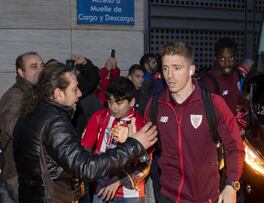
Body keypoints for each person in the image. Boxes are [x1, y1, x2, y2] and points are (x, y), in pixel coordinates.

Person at [13, 62, 158, 203]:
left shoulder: (31, 114)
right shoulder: (55, 123)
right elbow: (86, 167)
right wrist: (132, 145)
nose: (80, 93)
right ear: (58, 94)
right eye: (75, 89)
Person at [144, 41, 245, 202]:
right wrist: (132, 144)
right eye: (165, 68)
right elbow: (147, 149)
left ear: (191, 70)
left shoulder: (213, 104)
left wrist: (232, 185)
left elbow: (235, 147)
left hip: (204, 197)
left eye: (177, 68)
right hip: (167, 196)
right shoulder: (156, 105)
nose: (170, 75)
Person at [81, 77, 151, 203]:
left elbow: (146, 164)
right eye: (109, 101)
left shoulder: (141, 124)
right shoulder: (99, 117)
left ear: (132, 102)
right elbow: (84, 152)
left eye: (118, 103)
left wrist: (117, 181)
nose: (112, 107)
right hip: (101, 189)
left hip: (131, 192)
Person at [0, 51, 44, 202]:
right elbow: (21, 134)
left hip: (28, 176)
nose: (40, 70)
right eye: (33, 67)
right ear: (21, 72)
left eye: (41, 65)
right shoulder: (15, 97)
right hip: (16, 177)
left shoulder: (34, 94)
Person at [201, 38, 250, 121]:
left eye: (231, 59)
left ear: (235, 58)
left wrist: (244, 106)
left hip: (231, 127)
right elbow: (203, 112)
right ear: (216, 59)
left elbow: (238, 96)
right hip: (217, 130)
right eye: (223, 59)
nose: (227, 64)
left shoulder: (236, 74)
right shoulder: (209, 82)